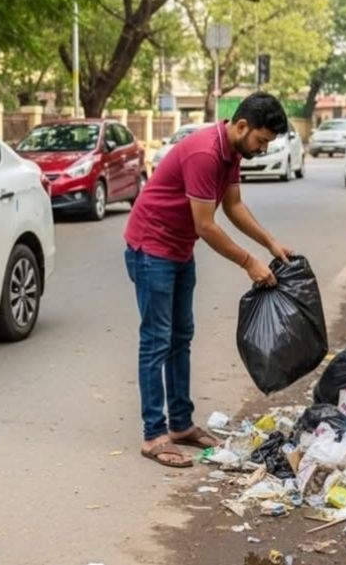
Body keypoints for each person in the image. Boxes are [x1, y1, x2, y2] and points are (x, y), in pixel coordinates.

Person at [124, 92, 293, 468]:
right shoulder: (204, 152)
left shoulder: (232, 152)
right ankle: (154, 434)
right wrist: (249, 262)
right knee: (157, 341)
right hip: (152, 249)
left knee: (180, 337)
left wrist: (270, 243)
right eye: (261, 141)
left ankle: (181, 424)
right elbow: (205, 225)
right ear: (242, 125)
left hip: (178, 250)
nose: (262, 150)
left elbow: (232, 206)